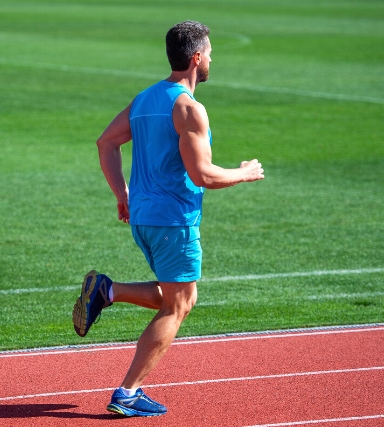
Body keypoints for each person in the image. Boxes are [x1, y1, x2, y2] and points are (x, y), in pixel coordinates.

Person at [71, 21, 265, 417]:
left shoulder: (145, 99)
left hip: (144, 217)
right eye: (209, 52)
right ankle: (128, 392)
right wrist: (244, 173)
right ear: (196, 58)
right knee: (179, 305)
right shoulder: (188, 108)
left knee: (174, 294)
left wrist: (122, 195)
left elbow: (105, 142)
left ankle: (107, 291)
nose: (211, 58)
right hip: (173, 221)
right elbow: (203, 175)